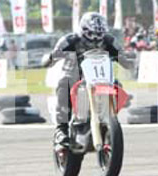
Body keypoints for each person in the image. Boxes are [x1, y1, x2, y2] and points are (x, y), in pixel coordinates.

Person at [43, 12, 133, 147]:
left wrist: (128, 60)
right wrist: (51, 57)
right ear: (83, 30)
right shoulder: (70, 40)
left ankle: (110, 116)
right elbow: (48, 61)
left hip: (100, 77)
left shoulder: (109, 41)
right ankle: (61, 129)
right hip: (75, 77)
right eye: (91, 34)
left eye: (99, 34)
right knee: (64, 84)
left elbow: (124, 60)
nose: (95, 38)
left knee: (117, 84)